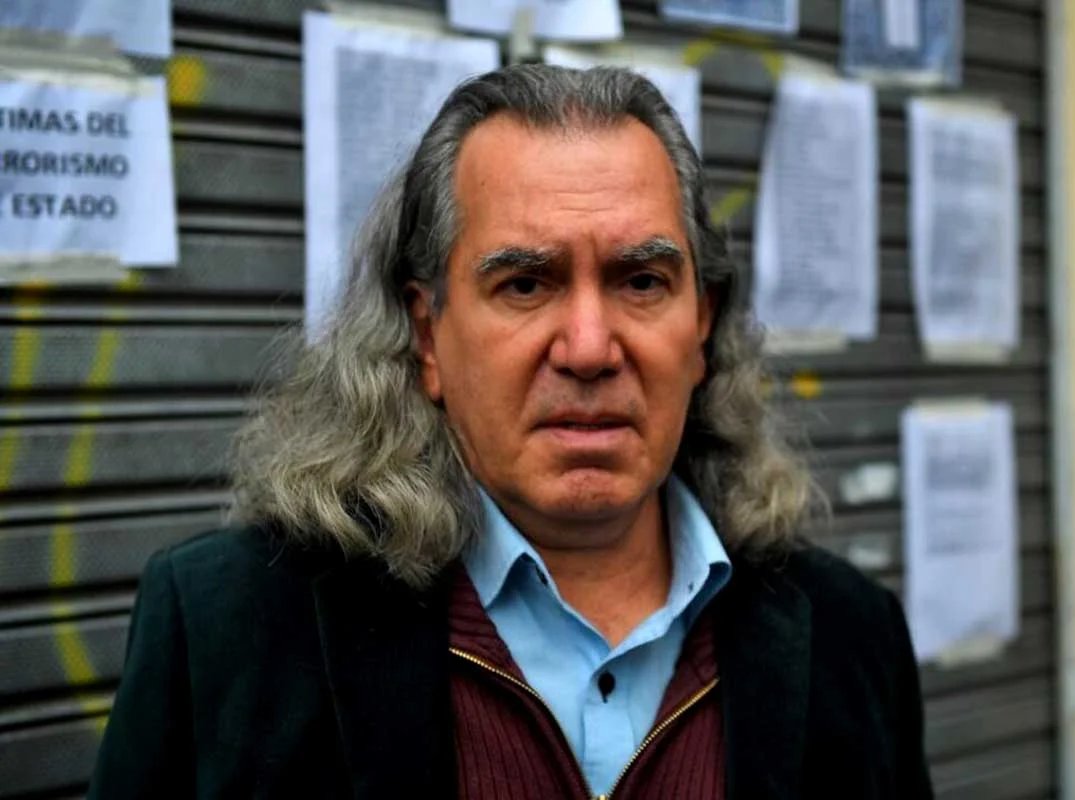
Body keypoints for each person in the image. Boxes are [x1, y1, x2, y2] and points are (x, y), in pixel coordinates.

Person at [88, 65, 932, 799]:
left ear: (701, 326)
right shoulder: (228, 631)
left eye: (642, 281)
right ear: (427, 335)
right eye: (525, 285)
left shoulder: (850, 637)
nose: (590, 349)